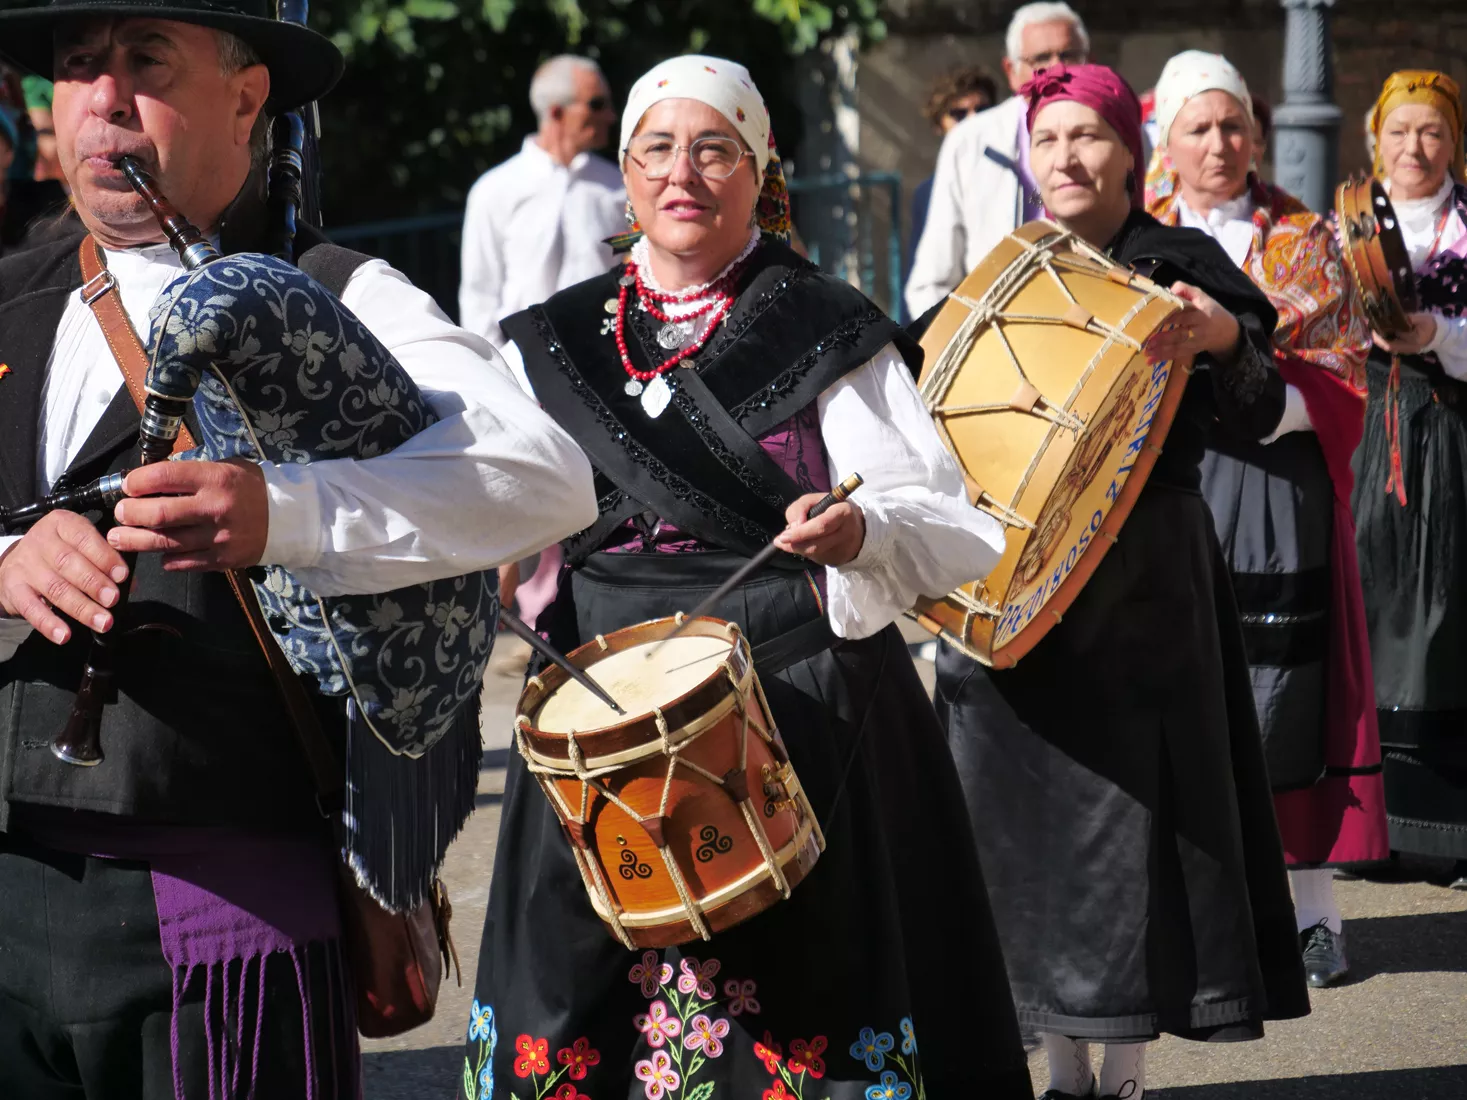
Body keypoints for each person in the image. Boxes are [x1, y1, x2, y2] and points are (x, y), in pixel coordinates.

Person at [0, 1, 598, 1096]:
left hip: (217, 913)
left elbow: (542, 476)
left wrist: (288, 513)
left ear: (246, 97)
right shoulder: (8, 295)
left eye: (147, 62)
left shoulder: (344, 290)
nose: (105, 98)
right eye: (81, 67)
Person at [458, 54, 1032, 1100]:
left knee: (811, 1001)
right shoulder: (558, 340)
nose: (686, 172)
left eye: (715, 148)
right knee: (588, 999)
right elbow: (486, 490)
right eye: (660, 149)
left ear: (761, 170)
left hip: (798, 695)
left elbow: (942, 514)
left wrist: (860, 526)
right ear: (625, 173)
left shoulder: (822, 323)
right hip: (602, 698)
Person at [920, 63, 1310, 1100]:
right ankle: (1061, 1073)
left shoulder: (1181, 261)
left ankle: (1125, 1076)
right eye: (1047, 142)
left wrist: (1222, 335)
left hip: (1147, 586)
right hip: (1016, 588)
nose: (1067, 158)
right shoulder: (1005, 272)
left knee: (1133, 827)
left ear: (1132, 154)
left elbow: (1265, 407)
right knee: (1021, 828)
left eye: (1088, 137)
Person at [1145, 50, 1388, 990]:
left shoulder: (1304, 239)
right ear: (1164, 142)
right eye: (1198, 128)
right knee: (1179, 689)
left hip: (1276, 484)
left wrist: (1243, 389)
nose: (1219, 143)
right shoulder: (1137, 242)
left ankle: (1316, 914)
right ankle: (1198, 917)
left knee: (1286, 697)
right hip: (1166, 489)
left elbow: (1341, 370)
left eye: (1233, 124)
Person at [1353, 70, 1467, 891]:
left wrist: (1436, 333)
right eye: (1398, 131)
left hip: (1454, 431)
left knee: (1448, 613)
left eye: (1429, 131)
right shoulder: (1348, 223)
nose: (1412, 148)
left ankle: (1448, 834)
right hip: (1371, 429)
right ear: (1374, 139)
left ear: (1453, 141)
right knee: (1372, 603)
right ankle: (1371, 829)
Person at [904, 0, 1089, 318]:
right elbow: (930, 283)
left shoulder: (1116, 133)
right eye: (1042, 58)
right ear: (1012, 71)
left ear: (1089, 61)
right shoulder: (970, 142)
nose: (1058, 69)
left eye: (1069, 55)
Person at [458, 53, 624, 374]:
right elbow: (480, 293)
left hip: (605, 364)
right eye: (597, 104)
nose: (610, 115)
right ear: (557, 112)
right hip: (520, 366)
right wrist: (494, 373)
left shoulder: (619, 186)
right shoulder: (495, 189)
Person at [905, 64, 998, 318]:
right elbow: (925, 277)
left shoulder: (1015, 174)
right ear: (939, 125)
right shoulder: (928, 192)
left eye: (982, 110)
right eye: (959, 114)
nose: (973, 121)